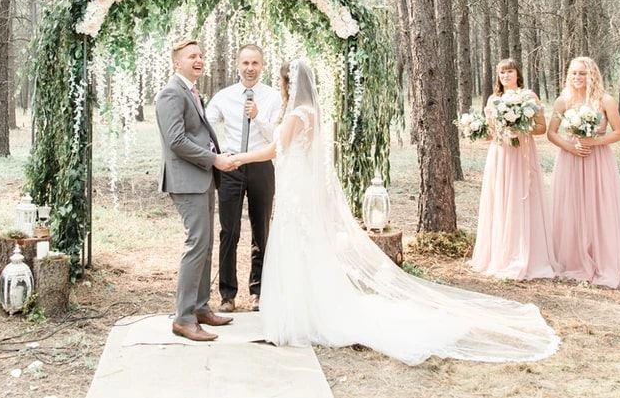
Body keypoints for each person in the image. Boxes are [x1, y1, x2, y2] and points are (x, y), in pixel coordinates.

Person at [231, 59, 559, 365]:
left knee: (296, 242)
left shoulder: (295, 115)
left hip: (295, 187)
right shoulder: (309, 112)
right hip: (298, 183)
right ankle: (307, 307)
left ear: (289, 84)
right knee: (305, 244)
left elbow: (276, 150)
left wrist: (239, 158)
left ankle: (301, 313)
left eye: (283, 82)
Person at [155, 39, 236, 341]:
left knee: (206, 244)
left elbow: (197, 134)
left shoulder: (190, 90)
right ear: (177, 62)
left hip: (202, 177)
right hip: (186, 180)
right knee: (197, 243)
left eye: (201, 55)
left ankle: (201, 307)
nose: (199, 60)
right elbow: (176, 141)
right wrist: (214, 159)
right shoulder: (171, 93)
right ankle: (184, 318)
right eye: (192, 56)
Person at [206, 44, 282, 312]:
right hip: (231, 165)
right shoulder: (224, 96)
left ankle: (258, 291)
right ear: (238, 65)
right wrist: (216, 153)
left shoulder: (273, 97)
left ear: (262, 66)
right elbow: (205, 124)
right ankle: (227, 295)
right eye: (246, 63)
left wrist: (258, 117)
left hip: (261, 165)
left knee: (261, 230)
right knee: (229, 231)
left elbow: (277, 137)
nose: (250, 68)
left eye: (255, 63)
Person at [547, 56, 620, 289]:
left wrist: (593, 142)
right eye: (574, 73)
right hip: (570, 159)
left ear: (592, 75)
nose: (577, 77)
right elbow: (551, 133)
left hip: (598, 160)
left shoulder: (605, 100)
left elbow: (619, 132)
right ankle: (572, 259)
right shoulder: (562, 101)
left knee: (598, 206)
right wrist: (571, 147)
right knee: (572, 207)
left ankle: (601, 259)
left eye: (582, 73)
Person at [469, 58, 558, 280]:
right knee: (500, 198)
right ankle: (500, 254)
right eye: (502, 72)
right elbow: (491, 133)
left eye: (509, 71)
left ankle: (526, 253)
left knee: (522, 197)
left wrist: (520, 127)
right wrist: (476, 129)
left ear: (518, 74)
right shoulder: (493, 100)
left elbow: (541, 128)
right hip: (500, 154)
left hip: (522, 154)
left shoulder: (529, 96)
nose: (506, 76)